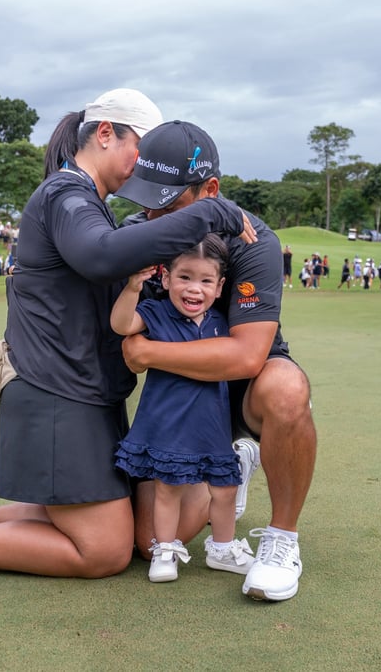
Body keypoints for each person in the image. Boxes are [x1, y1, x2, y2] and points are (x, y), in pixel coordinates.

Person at [0, 90, 255, 579]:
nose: (147, 169)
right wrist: (208, 213)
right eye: (142, 149)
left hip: (84, 391)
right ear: (105, 133)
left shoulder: (88, 201)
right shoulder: (64, 194)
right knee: (103, 551)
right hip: (57, 390)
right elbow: (100, 255)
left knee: (98, 519)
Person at [115, 120, 317, 602]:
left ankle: (281, 540)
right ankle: (233, 466)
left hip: (241, 390)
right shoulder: (134, 232)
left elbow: (248, 355)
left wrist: (146, 352)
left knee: (287, 389)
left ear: (211, 191)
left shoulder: (254, 241)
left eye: (167, 201)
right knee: (150, 542)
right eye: (146, 198)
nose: (152, 213)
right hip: (178, 400)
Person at [111, 234, 254, 583]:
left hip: (211, 427)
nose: (194, 289)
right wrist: (132, 288)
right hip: (168, 425)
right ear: (166, 278)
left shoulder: (222, 321)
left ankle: (221, 548)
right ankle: (165, 549)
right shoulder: (156, 313)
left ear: (219, 287)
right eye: (185, 277)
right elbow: (121, 325)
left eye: (205, 281)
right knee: (168, 488)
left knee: (224, 489)